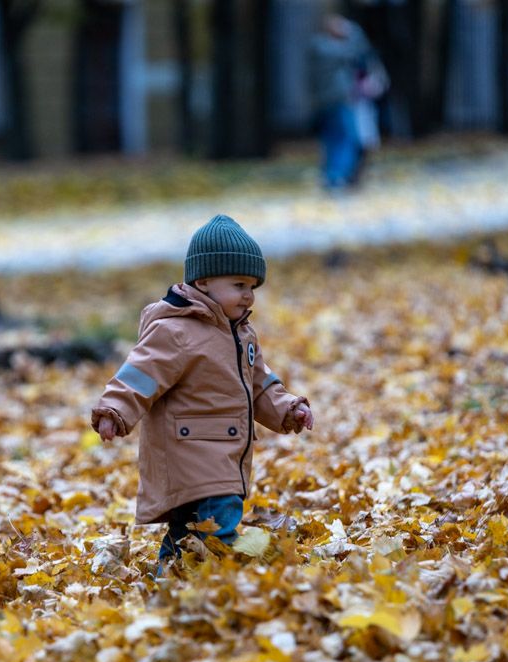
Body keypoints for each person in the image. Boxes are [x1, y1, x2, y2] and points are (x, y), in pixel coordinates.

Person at [90, 215, 314, 577]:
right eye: (239, 284)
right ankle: (216, 584)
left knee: (188, 532)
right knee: (218, 528)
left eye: (253, 286)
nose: (248, 295)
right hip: (191, 454)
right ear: (204, 281)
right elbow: (139, 374)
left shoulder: (241, 334)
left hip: (223, 454)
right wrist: (114, 409)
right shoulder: (177, 331)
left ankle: (171, 578)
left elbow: (259, 382)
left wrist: (288, 408)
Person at [307, 13, 389, 189]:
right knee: (346, 138)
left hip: (334, 101)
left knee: (336, 140)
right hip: (335, 101)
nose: (344, 30)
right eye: (339, 26)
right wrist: (355, 31)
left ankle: (335, 177)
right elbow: (358, 49)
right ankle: (336, 177)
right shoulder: (324, 47)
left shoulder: (325, 47)